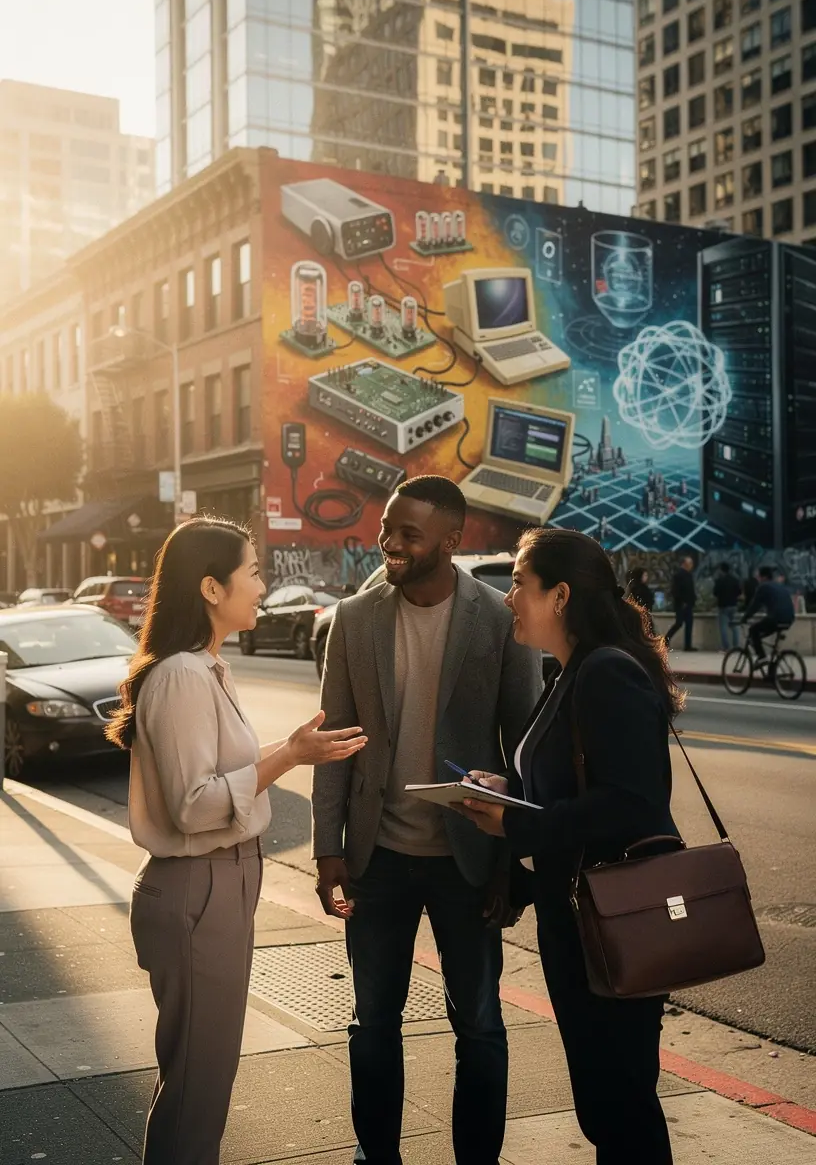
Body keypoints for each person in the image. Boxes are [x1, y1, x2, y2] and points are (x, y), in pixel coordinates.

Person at [107, 517, 367, 1165]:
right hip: (200, 889)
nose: (263, 584)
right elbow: (196, 806)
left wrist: (298, 751)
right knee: (198, 1090)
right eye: (253, 571)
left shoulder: (204, 668)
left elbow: (226, 775)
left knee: (203, 1084)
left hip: (218, 888)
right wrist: (289, 759)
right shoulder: (183, 676)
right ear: (211, 588)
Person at [312, 475, 541, 1165]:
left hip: (468, 861)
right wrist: (328, 850)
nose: (391, 543)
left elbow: (522, 743)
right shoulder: (354, 618)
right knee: (372, 1022)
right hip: (377, 859)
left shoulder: (499, 619)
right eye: (387, 529)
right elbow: (335, 742)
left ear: (452, 539)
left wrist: (510, 861)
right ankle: (374, 1156)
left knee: (478, 1025)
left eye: (409, 533)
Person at [456, 527, 682, 1165]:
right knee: (606, 1104)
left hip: (614, 925)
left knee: (622, 1105)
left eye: (519, 585)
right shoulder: (571, 669)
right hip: (579, 922)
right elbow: (573, 783)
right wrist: (511, 789)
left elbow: (631, 802)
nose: (508, 599)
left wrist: (514, 824)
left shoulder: (607, 670)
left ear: (558, 595)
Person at [743, 564, 795, 662]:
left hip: (776, 618)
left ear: (764, 577)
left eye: (759, 576)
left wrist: (745, 618)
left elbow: (755, 606)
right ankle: (771, 671)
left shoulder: (763, 586)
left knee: (753, 630)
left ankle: (762, 657)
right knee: (761, 632)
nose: (758, 579)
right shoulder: (780, 586)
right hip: (789, 618)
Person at [665, 555, 696, 651]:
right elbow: (676, 590)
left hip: (689, 604)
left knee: (689, 624)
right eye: (689, 563)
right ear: (684, 564)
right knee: (679, 623)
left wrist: (693, 599)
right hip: (681, 604)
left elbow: (690, 589)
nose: (691, 565)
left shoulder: (689, 575)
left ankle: (688, 645)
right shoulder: (678, 575)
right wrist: (681, 601)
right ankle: (665, 640)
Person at [713, 562, 742, 651]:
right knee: (734, 626)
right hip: (733, 605)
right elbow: (739, 592)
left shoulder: (719, 580)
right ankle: (736, 646)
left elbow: (715, 593)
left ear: (721, 570)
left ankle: (726, 647)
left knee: (723, 627)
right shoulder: (735, 580)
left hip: (723, 606)